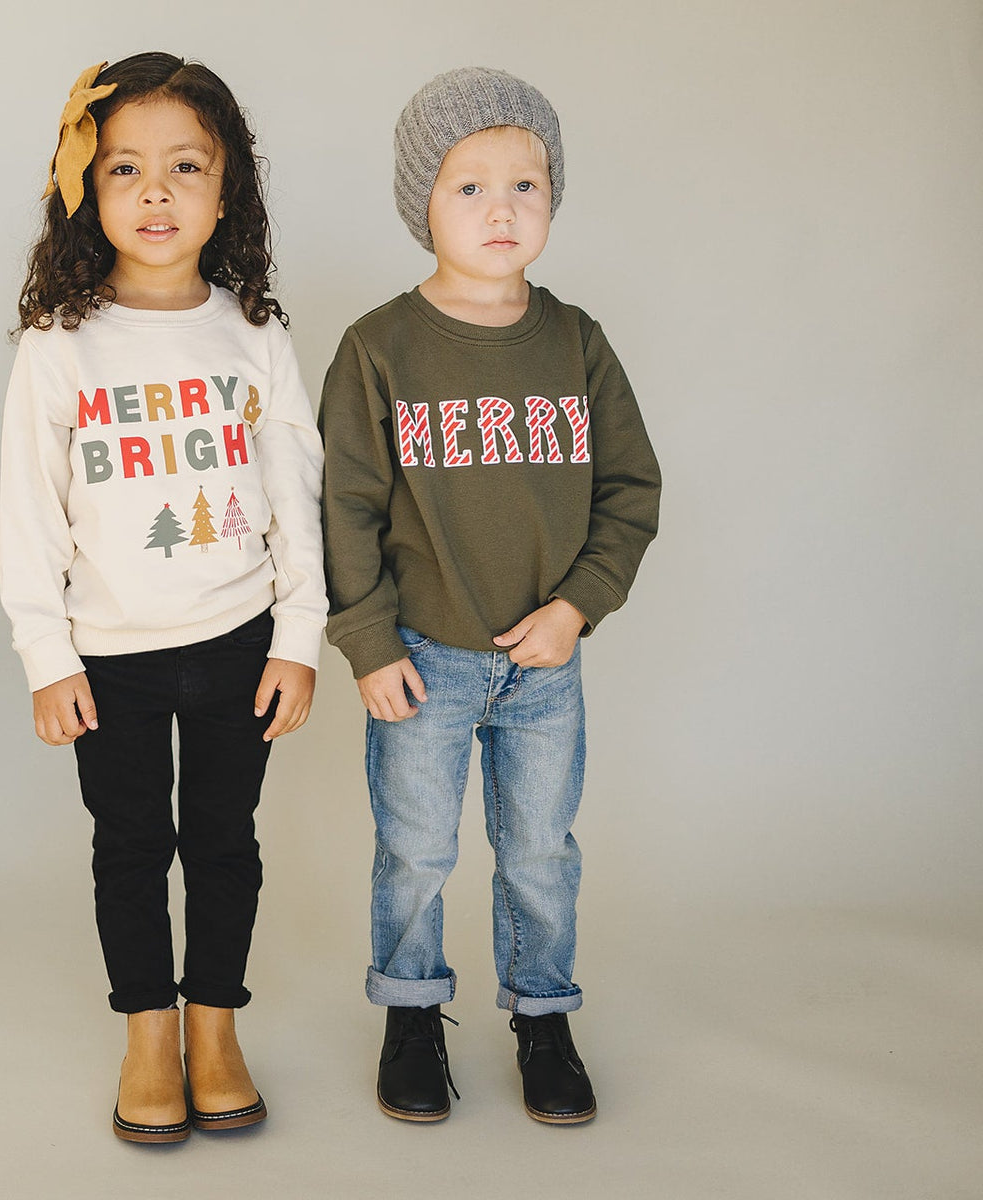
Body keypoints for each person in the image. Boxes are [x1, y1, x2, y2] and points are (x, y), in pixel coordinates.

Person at [320, 67, 661, 1125]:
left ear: (553, 199)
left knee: (541, 854)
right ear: (421, 202)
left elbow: (630, 489)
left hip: (544, 663)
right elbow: (346, 507)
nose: (502, 209)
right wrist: (371, 642)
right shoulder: (379, 348)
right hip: (424, 657)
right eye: (469, 187)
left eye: (527, 185)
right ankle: (411, 1013)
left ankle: (544, 1016)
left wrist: (577, 607)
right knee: (416, 851)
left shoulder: (575, 341)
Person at [0, 52, 326, 1143]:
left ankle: (214, 1024)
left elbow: (296, 496)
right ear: (87, 192)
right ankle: (148, 1030)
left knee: (224, 841)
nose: (155, 192)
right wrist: (48, 655)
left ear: (227, 192)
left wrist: (299, 638)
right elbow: (28, 511)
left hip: (239, 640)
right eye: (124, 168)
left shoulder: (254, 334)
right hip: (110, 656)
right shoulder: (60, 345)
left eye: (186, 166)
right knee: (131, 846)